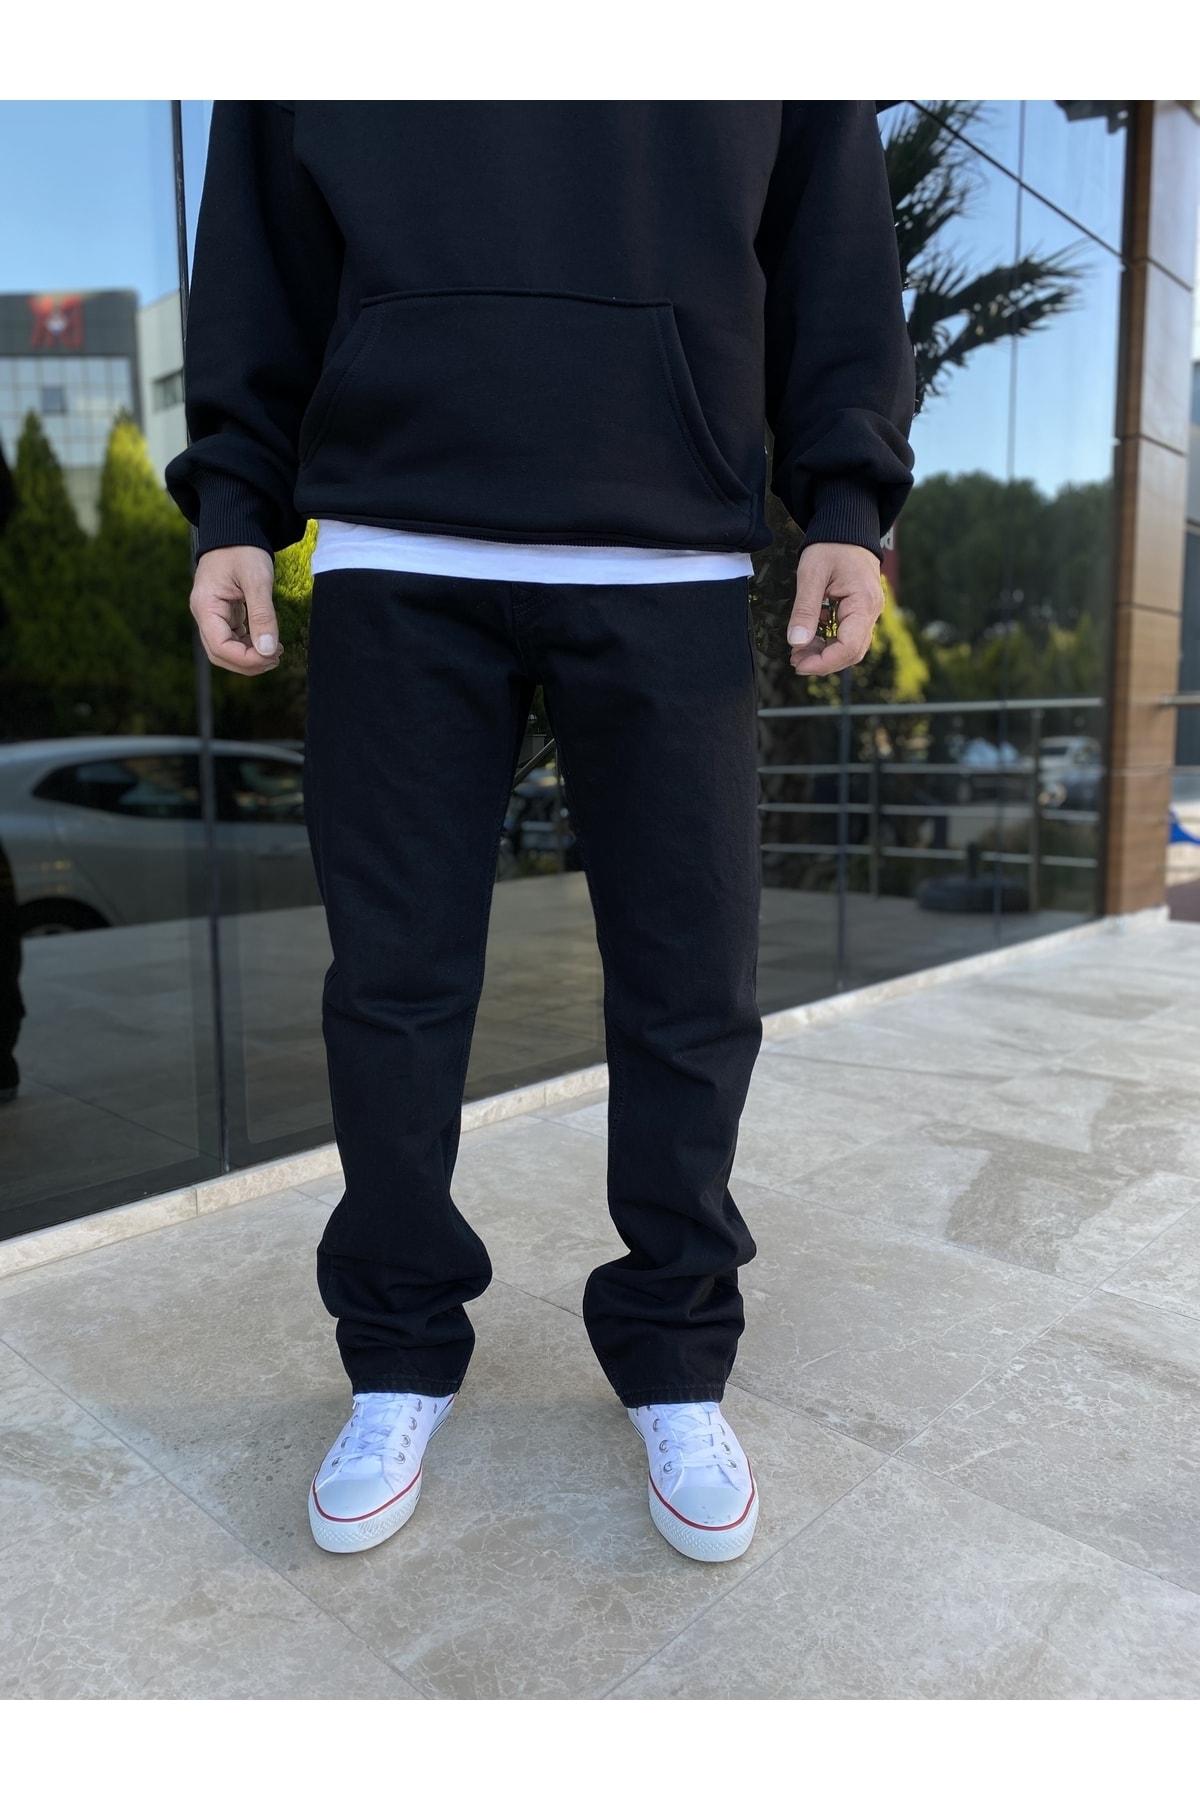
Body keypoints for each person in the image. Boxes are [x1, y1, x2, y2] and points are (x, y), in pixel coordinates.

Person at [167, 101, 914, 1564]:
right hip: (396, 538)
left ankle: (676, 1358)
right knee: (392, 991)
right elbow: (259, 236)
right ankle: (396, 1354)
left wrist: (848, 497)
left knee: (691, 988)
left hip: (669, 546)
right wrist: (235, 504)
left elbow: (831, 228)